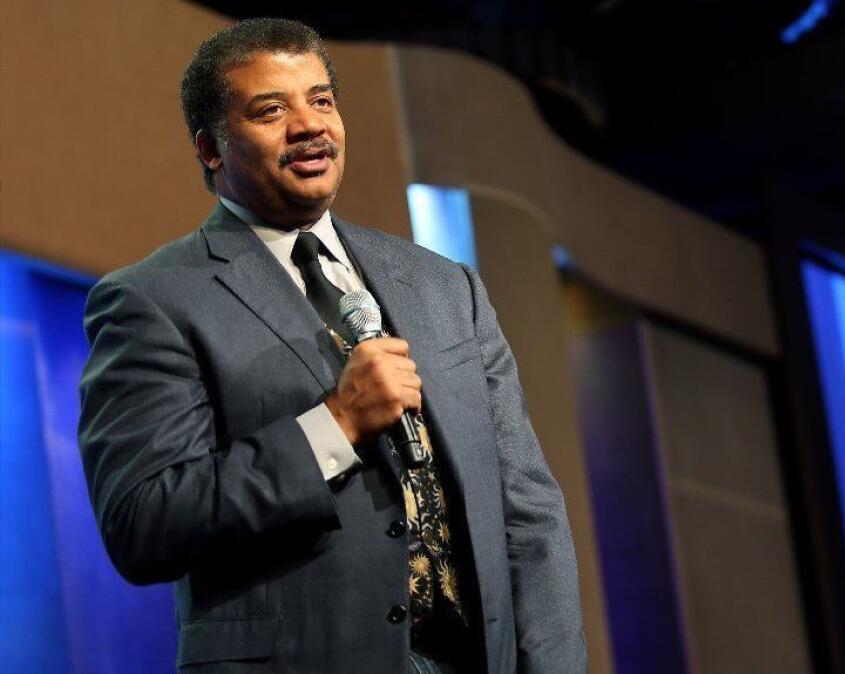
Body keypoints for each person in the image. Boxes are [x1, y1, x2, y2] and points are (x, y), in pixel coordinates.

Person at [77, 18, 585, 673]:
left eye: (321, 100)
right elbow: (143, 523)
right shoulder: (155, 300)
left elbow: (528, 509)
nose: (310, 124)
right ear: (210, 149)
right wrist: (335, 426)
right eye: (271, 109)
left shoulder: (443, 285)